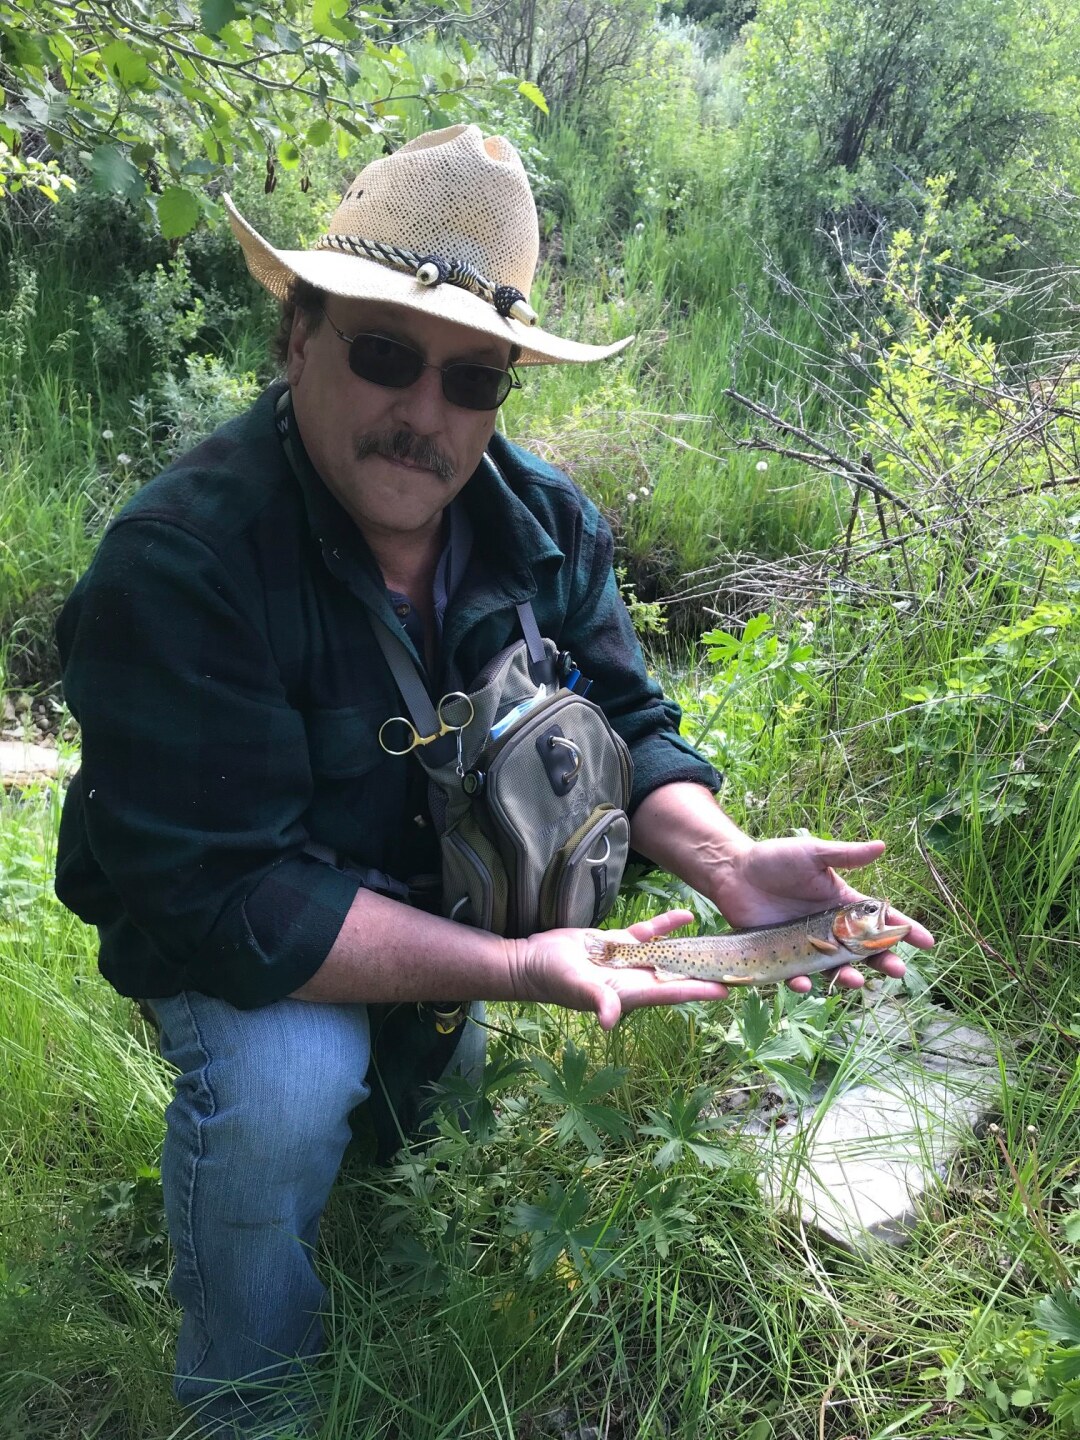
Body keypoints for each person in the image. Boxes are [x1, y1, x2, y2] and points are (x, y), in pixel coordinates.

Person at [54, 124, 931, 1435]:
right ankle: (248, 1395)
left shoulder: (544, 524)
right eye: (386, 356)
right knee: (290, 1091)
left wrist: (731, 866)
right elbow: (223, 899)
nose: (426, 415)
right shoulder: (179, 565)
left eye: (474, 381)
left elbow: (633, 728)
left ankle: (390, 1190)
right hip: (228, 921)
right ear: (299, 338)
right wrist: (518, 969)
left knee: (427, 1136)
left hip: (429, 901)